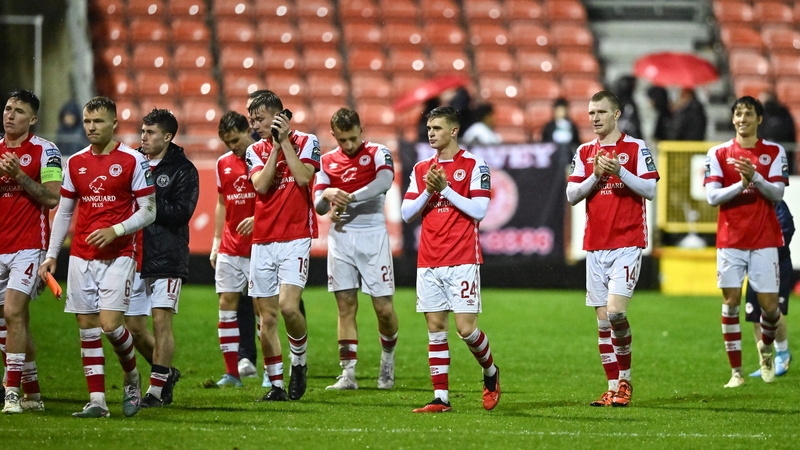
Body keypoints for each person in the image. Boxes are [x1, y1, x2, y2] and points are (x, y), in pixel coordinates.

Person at [38, 96, 156, 418]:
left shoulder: (133, 160)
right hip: (81, 254)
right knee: (87, 328)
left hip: (120, 253)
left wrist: (116, 230)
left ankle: (131, 376)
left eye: (98, 122)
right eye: (88, 122)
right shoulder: (74, 162)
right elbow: (64, 212)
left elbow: (149, 211)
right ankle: (97, 402)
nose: (91, 127)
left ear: (114, 124)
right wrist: (52, 255)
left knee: (111, 326)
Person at [401, 106, 500, 413]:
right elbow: (406, 214)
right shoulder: (421, 169)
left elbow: (480, 210)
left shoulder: (474, 164)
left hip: (462, 256)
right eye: (429, 128)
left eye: (437, 128)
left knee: (466, 329)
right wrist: (429, 193)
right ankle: (441, 397)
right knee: (435, 326)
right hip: (429, 258)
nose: (431, 133)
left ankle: (490, 372)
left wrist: (444, 189)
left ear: (454, 131)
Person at [566, 90, 660, 408]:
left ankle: (626, 381)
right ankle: (611, 386)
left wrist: (619, 171)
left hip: (627, 242)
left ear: (616, 115)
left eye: (601, 112)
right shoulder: (584, 151)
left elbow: (649, 189)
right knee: (603, 322)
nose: (594, 118)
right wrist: (595, 175)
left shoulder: (635, 148)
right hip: (595, 245)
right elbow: (571, 195)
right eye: (591, 112)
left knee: (616, 312)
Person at [704, 96, 789, 387]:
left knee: (769, 308)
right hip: (730, 239)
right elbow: (712, 197)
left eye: (749, 114)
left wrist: (755, 178)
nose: (743, 119)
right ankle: (736, 372)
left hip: (765, 239)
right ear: (732, 119)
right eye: (738, 114)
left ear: (759, 119)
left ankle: (765, 351)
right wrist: (741, 185)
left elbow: (777, 193)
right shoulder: (718, 152)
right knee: (730, 303)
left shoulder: (773, 152)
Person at [313, 108, 399, 391]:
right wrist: (327, 195)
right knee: (345, 306)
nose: (348, 145)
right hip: (341, 238)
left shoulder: (378, 152)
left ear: (361, 129)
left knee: (383, 309)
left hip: (373, 236)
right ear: (333, 136)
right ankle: (348, 374)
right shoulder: (326, 161)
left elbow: (385, 183)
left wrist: (348, 198)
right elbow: (319, 206)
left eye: (352, 138)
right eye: (342, 140)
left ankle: (387, 363)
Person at [245, 91, 320, 401]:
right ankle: (276, 385)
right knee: (267, 319)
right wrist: (275, 148)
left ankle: (299, 361)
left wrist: (285, 141)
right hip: (263, 239)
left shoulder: (308, 141)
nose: (255, 125)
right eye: (252, 120)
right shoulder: (254, 150)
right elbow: (261, 185)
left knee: (289, 306)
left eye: (259, 119)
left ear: (277, 116)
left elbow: (303, 178)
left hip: (295, 236)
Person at [131, 108, 199, 408]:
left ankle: (155, 391)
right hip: (132, 255)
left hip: (167, 255)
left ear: (167, 137)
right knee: (131, 327)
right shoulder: (132, 163)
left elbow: (182, 213)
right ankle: (166, 373)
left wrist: (147, 199)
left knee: (161, 323)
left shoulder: (183, 170)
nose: (143, 137)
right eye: (142, 131)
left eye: (150, 132)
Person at [0, 90, 61, 414]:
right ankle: (33, 393)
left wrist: (18, 175)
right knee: (11, 321)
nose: (10, 115)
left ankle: (11, 393)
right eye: (8, 109)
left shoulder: (47, 151)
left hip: (27, 245)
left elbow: (52, 199)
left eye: (19, 111)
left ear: (32, 119)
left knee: (12, 313)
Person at [211, 111, 259, 388]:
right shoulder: (222, 163)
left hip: (259, 246)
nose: (233, 146)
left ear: (247, 131)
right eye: (228, 142)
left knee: (262, 308)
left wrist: (259, 221)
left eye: (236, 139)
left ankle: (270, 373)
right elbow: (221, 203)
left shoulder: (263, 157)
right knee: (226, 304)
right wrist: (217, 242)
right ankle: (232, 373)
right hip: (230, 246)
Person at [746, 201, 793, 378]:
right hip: (754, 267)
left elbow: (785, 232)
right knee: (755, 315)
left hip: (776, 265)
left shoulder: (776, 204)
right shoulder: (749, 204)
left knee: (773, 311)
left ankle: (783, 354)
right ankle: (766, 362)